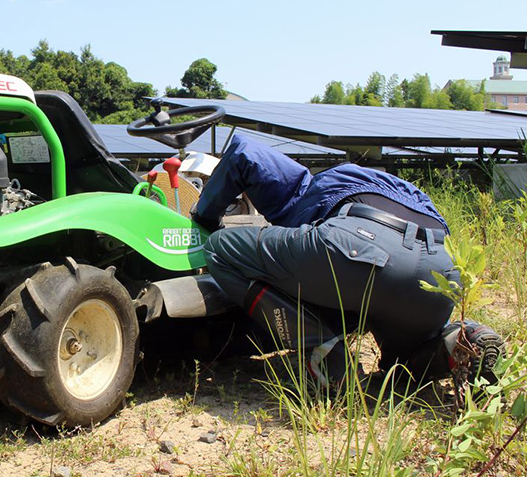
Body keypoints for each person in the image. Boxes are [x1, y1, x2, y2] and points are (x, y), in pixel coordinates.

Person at [191, 134, 504, 388]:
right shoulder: (404, 189)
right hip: (437, 267)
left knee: (221, 247)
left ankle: (326, 354)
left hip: (359, 244)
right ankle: (460, 340)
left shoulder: (305, 186)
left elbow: (244, 152)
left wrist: (203, 219)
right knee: (403, 368)